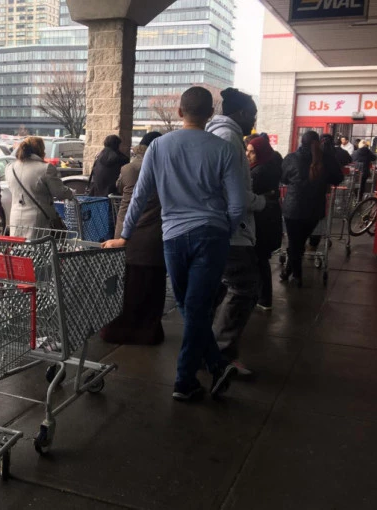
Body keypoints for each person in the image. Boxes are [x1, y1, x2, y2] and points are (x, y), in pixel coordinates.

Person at [103, 87, 246, 402]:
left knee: (189, 305)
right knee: (194, 307)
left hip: (173, 237)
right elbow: (238, 204)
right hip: (212, 235)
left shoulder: (158, 147)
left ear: (180, 112)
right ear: (211, 114)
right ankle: (207, 369)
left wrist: (125, 234)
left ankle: (190, 377)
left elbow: (139, 195)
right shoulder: (224, 149)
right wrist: (225, 229)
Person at [206, 87, 270, 378]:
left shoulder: (216, 135)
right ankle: (221, 353)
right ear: (242, 113)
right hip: (231, 231)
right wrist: (262, 202)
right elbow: (234, 193)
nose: (253, 122)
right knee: (245, 287)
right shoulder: (229, 138)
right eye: (252, 115)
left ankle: (205, 349)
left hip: (220, 227)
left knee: (218, 289)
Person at [102, 131, 166, 345]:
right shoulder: (166, 170)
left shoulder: (128, 168)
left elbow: (119, 188)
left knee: (125, 284)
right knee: (151, 285)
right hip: (154, 234)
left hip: (125, 231)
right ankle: (147, 331)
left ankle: (118, 329)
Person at [281, 131, 344, 286]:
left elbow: (283, 178)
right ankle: (288, 271)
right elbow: (338, 178)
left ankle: (297, 276)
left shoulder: (292, 158)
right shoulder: (326, 159)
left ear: (301, 142)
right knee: (299, 241)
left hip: (293, 207)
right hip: (315, 209)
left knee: (295, 242)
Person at [5, 136, 74, 238]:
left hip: (15, 218)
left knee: (19, 247)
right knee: (39, 246)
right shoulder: (46, 168)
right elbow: (59, 193)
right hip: (38, 221)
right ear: (40, 150)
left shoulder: (10, 168)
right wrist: (71, 192)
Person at [247, 136, 283, 311]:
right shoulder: (270, 165)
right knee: (261, 259)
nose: (248, 155)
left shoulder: (258, 172)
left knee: (259, 259)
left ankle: (263, 298)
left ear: (260, 153)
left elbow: (247, 194)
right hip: (269, 218)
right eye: (247, 151)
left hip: (261, 221)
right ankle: (263, 297)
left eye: (252, 152)